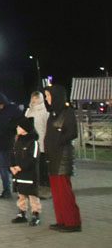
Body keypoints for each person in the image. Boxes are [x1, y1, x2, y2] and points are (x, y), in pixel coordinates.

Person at [44, 85, 81, 233]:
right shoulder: (52, 113)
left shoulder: (67, 112)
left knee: (64, 192)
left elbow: (72, 132)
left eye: (48, 96)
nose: (47, 99)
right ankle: (62, 220)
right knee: (57, 193)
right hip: (52, 157)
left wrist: (58, 141)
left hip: (62, 157)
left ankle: (72, 222)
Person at [0, 93, 22, 199]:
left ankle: (19, 190)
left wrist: (15, 131)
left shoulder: (13, 109)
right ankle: (6, 190)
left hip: (10, 143)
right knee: (3, 168)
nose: (0, 106)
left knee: (12, 167)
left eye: (1, 104)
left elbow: (21, 121)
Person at [11, 116, 41, 226]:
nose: (17, 128)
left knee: (32, 195)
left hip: (30, 174)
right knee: (21, 194)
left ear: (25, 129)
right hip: (18, 174)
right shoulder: (17, 141)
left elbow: (33, 159)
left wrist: (21, 167)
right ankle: (22, 213)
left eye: (19, 126)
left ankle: (35, 214)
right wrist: (12, 166)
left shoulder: (33, 143)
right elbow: (13, 155)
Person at [25, 91, 50, 197]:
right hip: (30, 143)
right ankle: (34, 186)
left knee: (42, 165)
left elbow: (47, 127)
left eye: (36, 98)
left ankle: (45, 187)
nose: (34, 100)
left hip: (42, 142)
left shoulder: (45, 111)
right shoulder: (29, 110)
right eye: (33, 98)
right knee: (33, 166)